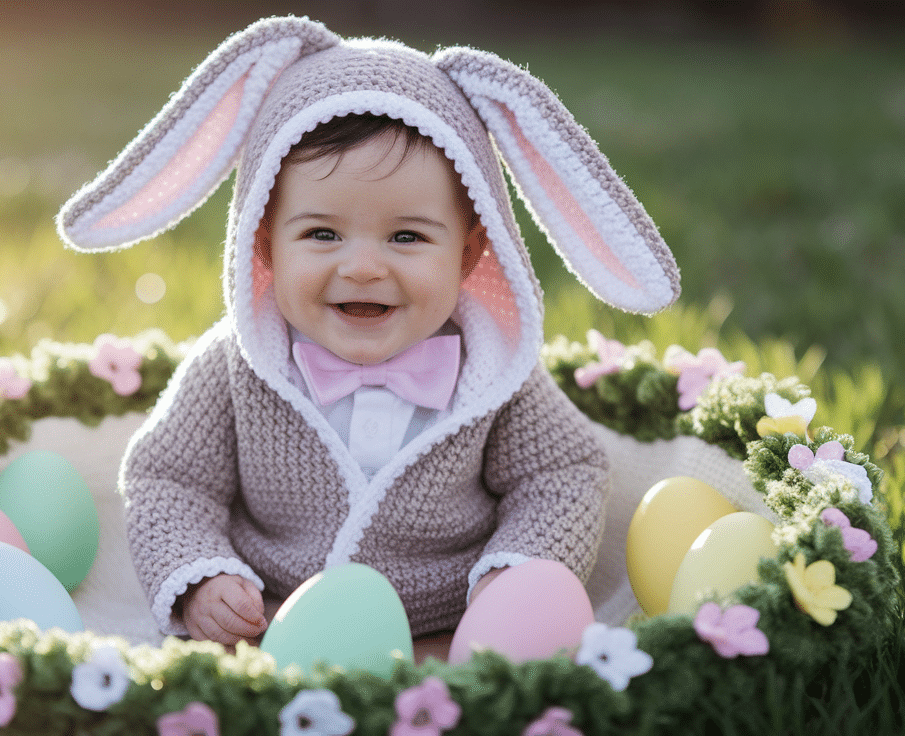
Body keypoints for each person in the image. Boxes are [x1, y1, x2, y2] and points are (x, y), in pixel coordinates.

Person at [56, 17, 681, 647]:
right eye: (321, 234)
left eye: (407, 236)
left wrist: (513, 574)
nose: (361, 267)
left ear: (468, 254)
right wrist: (199, 577)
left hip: (446, 632)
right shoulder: (234, 366)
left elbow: (563, 472)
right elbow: (167, 477)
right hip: (274, 623)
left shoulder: (494, 376)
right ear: (265, 241)